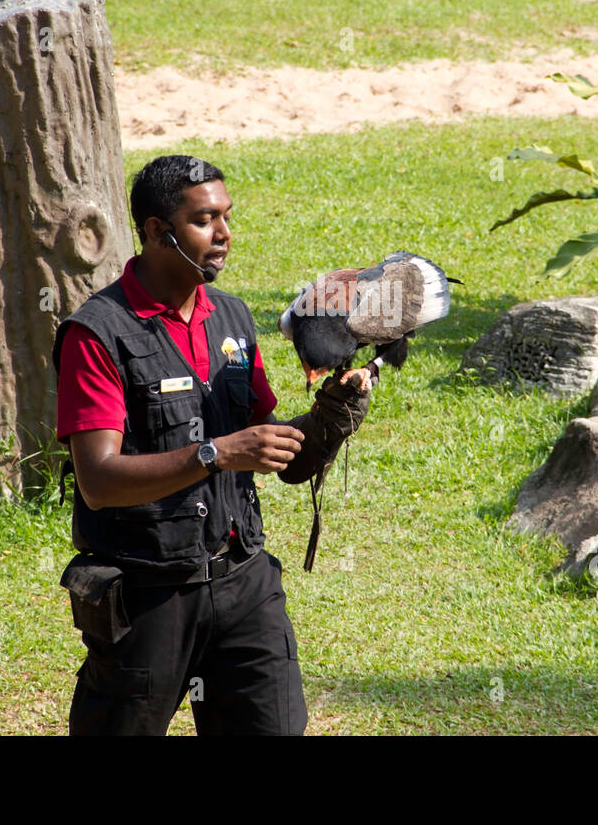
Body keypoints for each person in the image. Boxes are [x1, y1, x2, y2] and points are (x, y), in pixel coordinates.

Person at [52, 154, 373, 735]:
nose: (224, 235)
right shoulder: (98, 334)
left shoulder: (232, 318)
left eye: (226, 217)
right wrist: (216, 453)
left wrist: (330, 418)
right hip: (148, 596)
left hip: (243, 585)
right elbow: (99, 482)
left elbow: (276, 454)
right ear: (155, 231)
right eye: (204, 220)